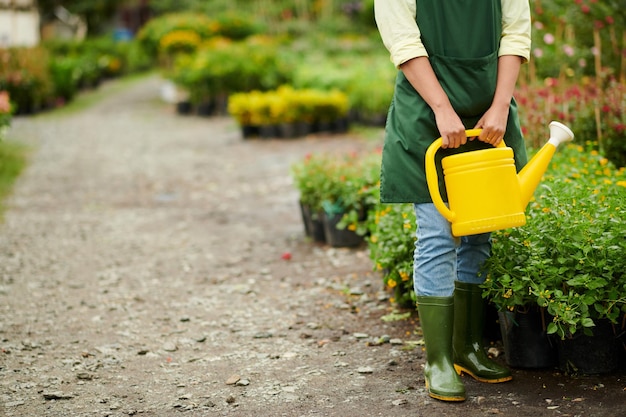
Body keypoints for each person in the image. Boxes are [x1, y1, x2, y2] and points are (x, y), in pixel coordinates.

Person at [374, 0, 531, 402]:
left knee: (480, 232)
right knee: (438, 233)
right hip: (427, 113)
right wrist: (442, 108)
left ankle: (468, 348)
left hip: (488, 114)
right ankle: (438, 360)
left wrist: (499, 106)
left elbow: (515, 33)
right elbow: (405, 43)